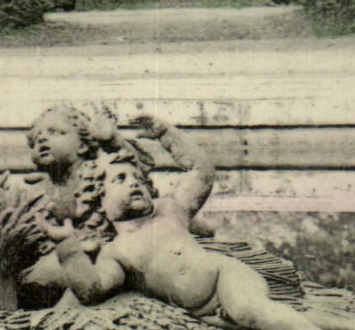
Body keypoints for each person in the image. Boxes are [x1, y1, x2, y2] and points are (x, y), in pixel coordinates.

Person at [55, 151, 355, 330]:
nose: (135, 183)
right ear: (99, 203)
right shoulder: (116, 252)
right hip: (204, 311)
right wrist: (67, 247)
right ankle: (347, 328)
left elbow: (202, 173)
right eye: (120, 180)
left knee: (251, 310)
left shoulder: (169, 212)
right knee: (264, 317)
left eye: (139, 178)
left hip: (225, 276)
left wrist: (165, 134)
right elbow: (92, 289)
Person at [20, 104, 213, 295]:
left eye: (56, 132)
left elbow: (135, 169)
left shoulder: (102, 170)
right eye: (36, 139)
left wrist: (112, 141)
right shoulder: (39, 190)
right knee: (43, 274)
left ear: (84, 144)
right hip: (83, 253)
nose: (43, 139)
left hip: (118, 247)